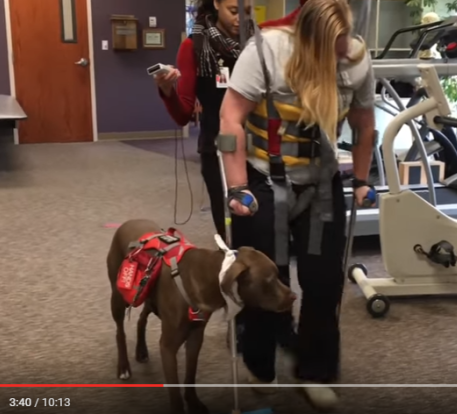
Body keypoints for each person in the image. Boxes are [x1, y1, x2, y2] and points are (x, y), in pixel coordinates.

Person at [218, 0, 376, 409]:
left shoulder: (356, 58)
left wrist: (361, 178)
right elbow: (230, 120)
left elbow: (363, 122)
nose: (343, 52)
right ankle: (259, 361)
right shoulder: (267, 51)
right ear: (310, 40)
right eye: (334, 46)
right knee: (263, 280)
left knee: (324, 283)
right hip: (263, 180)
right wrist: (237, 188)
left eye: (345, 43)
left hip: (321, 182)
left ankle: (315, 369)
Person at [154, 0, 253, 239]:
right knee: (232, 227)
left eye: (247, 11)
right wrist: (167, 90)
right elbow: (183, 114)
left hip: (259, 147)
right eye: (233, 11)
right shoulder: (194, 47)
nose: (240, 18)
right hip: (218, 147)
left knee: (260, 224)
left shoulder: (257, 44)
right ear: (216, 4)